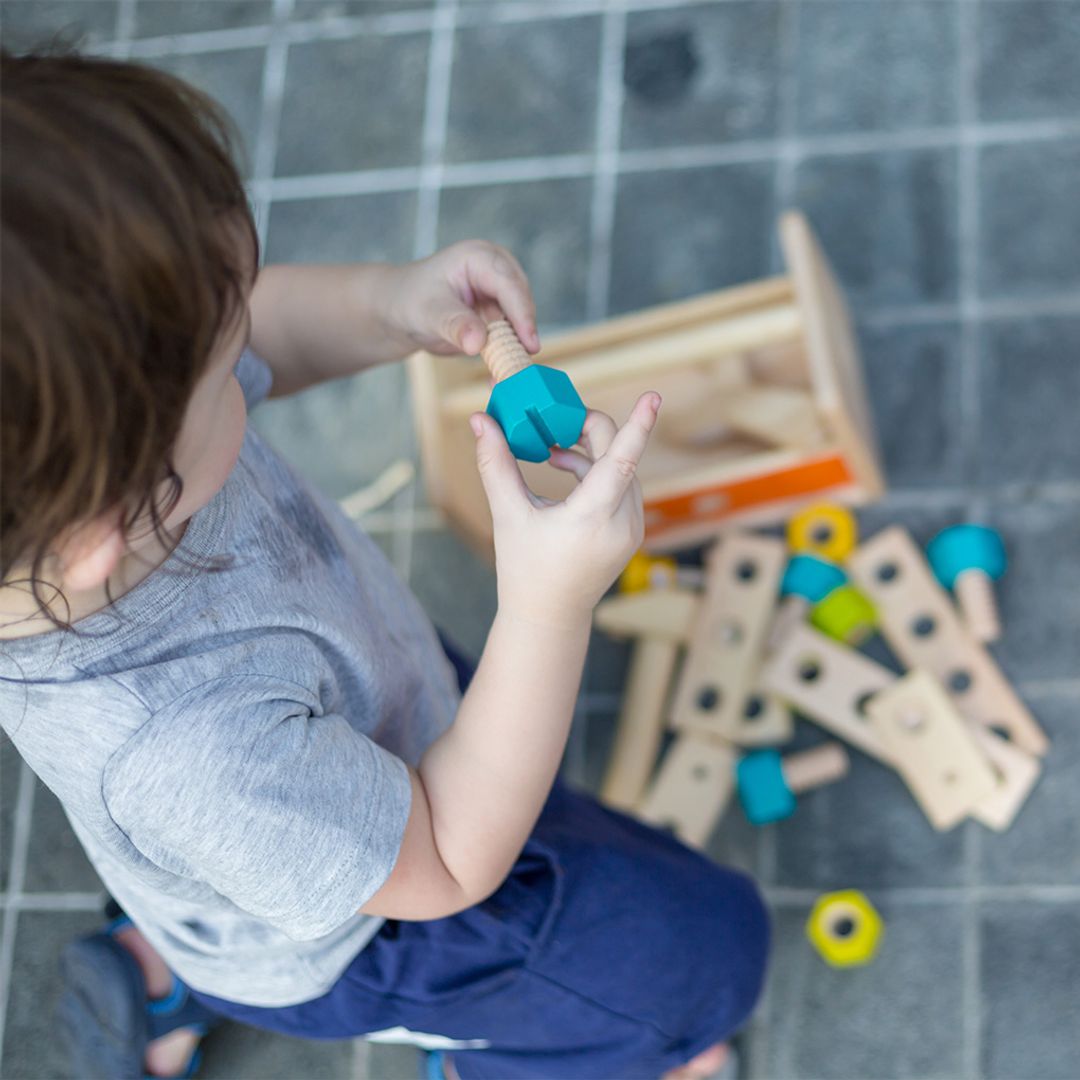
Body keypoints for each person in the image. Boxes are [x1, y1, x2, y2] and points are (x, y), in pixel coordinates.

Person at [0, 47, 768, 1080]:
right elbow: (450, 854)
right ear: (111, 522)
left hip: (328, 751)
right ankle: (491, 1052)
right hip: (396, 918)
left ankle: (171, 955)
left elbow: (250, 319)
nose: (249, 349)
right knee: (701, 967)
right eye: (227, 371)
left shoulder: (97, 468)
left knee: (237, 856)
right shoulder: (191, 753)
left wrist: (390, 304)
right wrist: (546, 608)